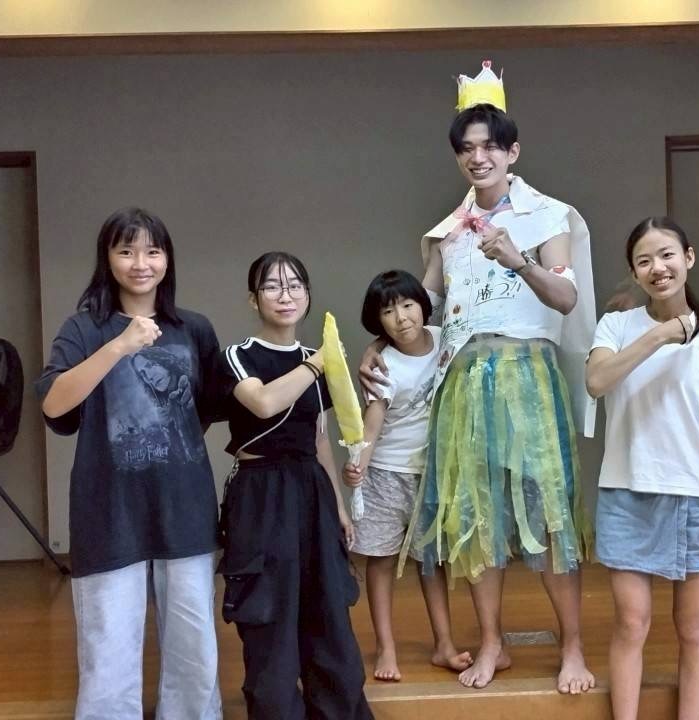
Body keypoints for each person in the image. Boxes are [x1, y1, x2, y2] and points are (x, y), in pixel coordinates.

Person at [362, 61, 599, 693]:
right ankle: (492, 643)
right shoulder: (449, 233)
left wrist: (518, 259)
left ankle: (573, 646)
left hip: (528, 377)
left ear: (512, 151)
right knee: (477, 518)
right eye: (467, 148)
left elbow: (566, 298)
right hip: (465, 383)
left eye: (491, 145)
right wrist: (376, 344)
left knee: (549, 516)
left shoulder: (547, 215)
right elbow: (421, 309)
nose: (479, 157)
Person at [38, 207, 223, 720]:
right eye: (126, 251)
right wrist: (119, 346)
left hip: (184, 507)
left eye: (152, 251)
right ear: (108, 259)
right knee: (108, 644)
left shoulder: (194, 329)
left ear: (167, 259)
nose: (141, 263)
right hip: (108, 510)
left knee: (194, 642)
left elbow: (207, 408)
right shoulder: (84, 328)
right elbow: (53, 403)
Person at [586, 217, 699, 720]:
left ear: (688, 258)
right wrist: (659, 336)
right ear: (634, 272)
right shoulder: (615, 326)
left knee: (693, 627)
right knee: (631, 624)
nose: (658, 267)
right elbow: (596, 382)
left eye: (667, 254)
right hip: (626, 493)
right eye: (644, 260)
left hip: (697, 495)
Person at [217, 251, 373, 719]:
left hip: (311, 488)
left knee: (327, 611)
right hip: (260, 491)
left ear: (307, 295)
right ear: (253, 299)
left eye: (295, 285)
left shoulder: (316, 360)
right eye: (272, 286)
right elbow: (264, 403)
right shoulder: (238, 355)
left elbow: (319, 437)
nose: (285, 295)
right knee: (268, 613)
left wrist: (339, 507)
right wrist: (319, 363)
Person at [341, 270, 472, 682]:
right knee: (380, 562)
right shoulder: (383, 366)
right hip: (385, 473)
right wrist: (358, 464)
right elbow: (372, 424)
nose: (401, 317)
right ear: (377, 320)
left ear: (422, 305)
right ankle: (386, 648)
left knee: (431, 562)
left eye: (408, 305)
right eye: (388, 311)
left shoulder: (445, 339)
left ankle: (444, 644)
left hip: (431, 473)